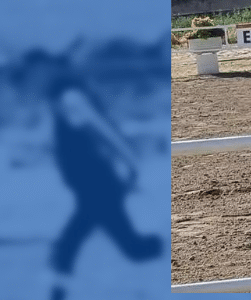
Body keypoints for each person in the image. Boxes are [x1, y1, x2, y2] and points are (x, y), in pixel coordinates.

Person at [15, 49, 162, 300]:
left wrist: (131, 162)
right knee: (124, 246)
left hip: (98, 184)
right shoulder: (58, 100)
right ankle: (56, 288)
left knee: (114, 246)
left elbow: (102, 130)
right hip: (92, 185)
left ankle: (56, 289)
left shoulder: (69, 97)